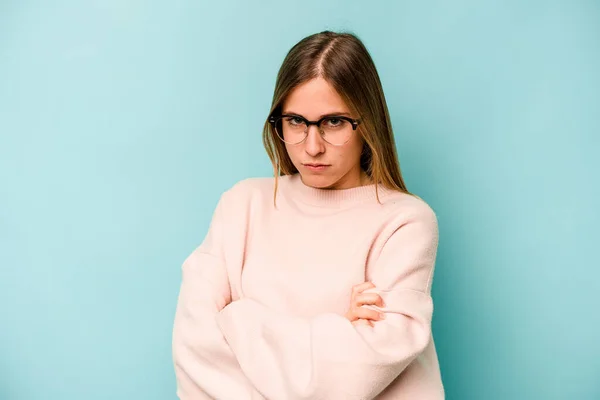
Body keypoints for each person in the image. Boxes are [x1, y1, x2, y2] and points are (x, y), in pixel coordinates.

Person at [172, 30, 444, 400]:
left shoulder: (404, 223)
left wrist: (242, 322)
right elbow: (195, 351)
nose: (312, 147)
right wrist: (337, 329)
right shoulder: (242, 206)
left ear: (368, 123)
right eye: (296, 121)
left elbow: (362, 371)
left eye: (333, 122)